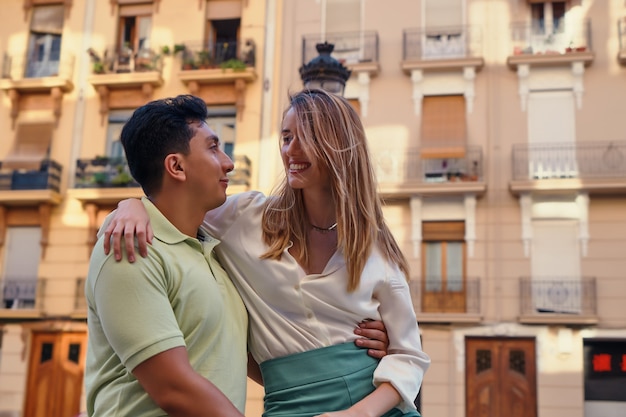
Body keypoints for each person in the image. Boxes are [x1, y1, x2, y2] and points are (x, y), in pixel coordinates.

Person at [105, 89, 430, 417]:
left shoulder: (377, 248)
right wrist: (133, 205)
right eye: (287, 137)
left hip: (375, 406)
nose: (291, 150)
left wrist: (359, 413)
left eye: (307, 137)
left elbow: (409, 354)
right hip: (286, 405)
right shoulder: (244, 218)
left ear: (340, 146)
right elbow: (175, 201)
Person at [84, 95, 250, 416]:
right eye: (213, 148)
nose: (228, 162)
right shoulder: (129, 246)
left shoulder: (212, 249)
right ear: (176, 166)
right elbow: (173, 388)